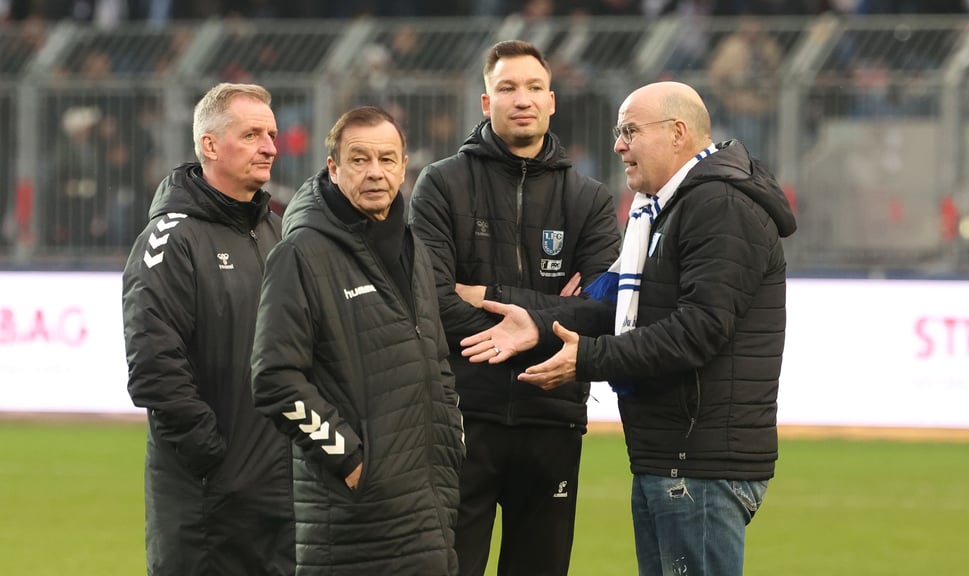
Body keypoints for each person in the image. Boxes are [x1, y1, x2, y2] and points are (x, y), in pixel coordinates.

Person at [461, 81, 797, 576]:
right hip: (672, 456)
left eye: (630, 131)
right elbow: (621, 308)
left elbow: (698, 330)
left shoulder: (719, 206)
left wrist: (588, 360)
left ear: (678, 133)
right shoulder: (666, 209)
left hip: (699, 461)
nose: (618, 144)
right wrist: (537, 323)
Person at [408, 39, 621, 576]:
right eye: (506, 88)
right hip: (460, 416)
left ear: (552, 101)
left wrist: (511, 313)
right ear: (486, 102)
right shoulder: (441, 184)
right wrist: (550, 313)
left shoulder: (589, 198)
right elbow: (428, 297)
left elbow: (605, 310)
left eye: (532, 88)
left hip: (552, 416)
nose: (520, 98)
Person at [250, 105, 465, 575]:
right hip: (352, 519)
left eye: (387, 160)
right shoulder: (300, 254)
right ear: (333, 168)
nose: (375, 173)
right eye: (359, 159)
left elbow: (437, 360)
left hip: (428, 502)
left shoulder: (417, 252)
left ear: (404, 167)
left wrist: (452, 437)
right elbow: (274, 378)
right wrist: (348, 459)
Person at [122, 82, 293, 576]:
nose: (270, 147)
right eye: (253, 134)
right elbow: (154, 364)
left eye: (272, 134)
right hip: (208, 502)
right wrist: (214, 462)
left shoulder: (276, 231)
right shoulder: (169, 239)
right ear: (211, 145)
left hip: (280, 498)